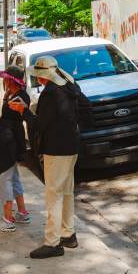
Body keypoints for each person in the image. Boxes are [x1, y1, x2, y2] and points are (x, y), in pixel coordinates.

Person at [28, 56, 89, 259]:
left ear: (45, 76)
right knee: (66, 192)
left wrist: (24, 113)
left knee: (53, 195)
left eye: (40, 77)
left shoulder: (50, 93)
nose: (39, 80)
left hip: (56, 149)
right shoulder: (70, 85)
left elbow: (39, 125)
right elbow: (85, 108)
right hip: (72, 145)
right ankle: (68, 234)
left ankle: (53, 242)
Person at [0, 65, 30, 232]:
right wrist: (6, 96)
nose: (3, 80)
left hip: (8, 141)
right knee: (14, 177)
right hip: (12, 139)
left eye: (5, 78)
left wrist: (6, 98)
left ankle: (7, 218)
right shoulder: (16, 95)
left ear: (10, 80)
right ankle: (22, 212)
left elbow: (9, 115)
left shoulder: (18, 99)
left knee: (4, 179)